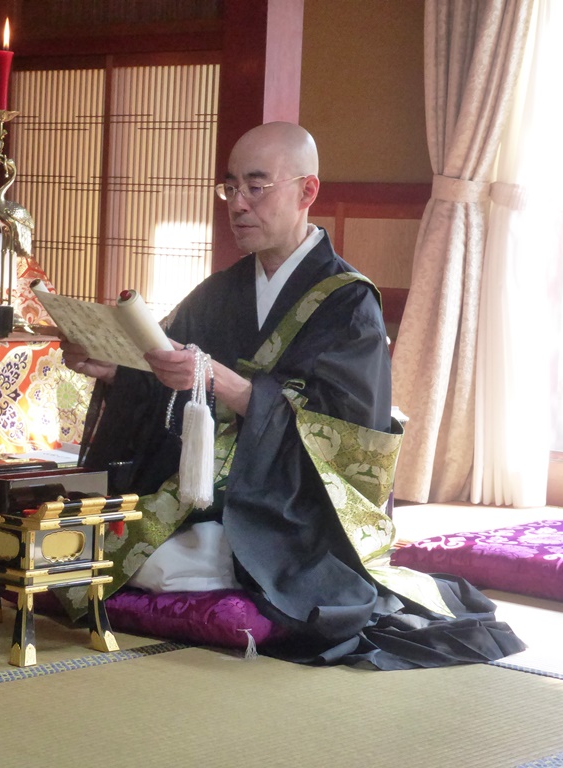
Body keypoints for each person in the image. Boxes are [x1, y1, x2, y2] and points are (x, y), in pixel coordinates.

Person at [61, 121, 524, 669]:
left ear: (307, 191)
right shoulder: (221, 290)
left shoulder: (349, 303)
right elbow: (161, 371)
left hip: (291, 508)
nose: (238, 204)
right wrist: (115, 370)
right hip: (203, 492)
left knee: (159, 564)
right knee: (121, 551)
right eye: (231, 187)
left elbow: (345, 437)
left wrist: (225, 383)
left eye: (256, 187)